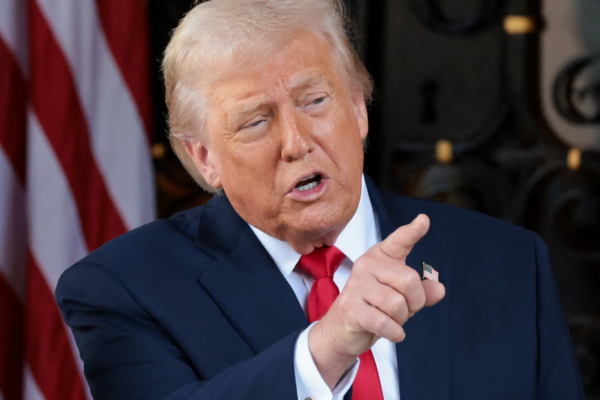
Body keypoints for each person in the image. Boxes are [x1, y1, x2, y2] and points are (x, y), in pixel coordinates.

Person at [55, 0, 584, 399]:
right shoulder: (122, 289)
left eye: (314, 100)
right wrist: (324, 350)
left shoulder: (509, 263)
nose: (296, 141)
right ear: (204, 158)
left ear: (358, 107)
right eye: (255, 121)